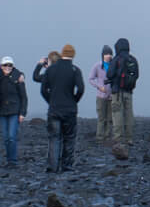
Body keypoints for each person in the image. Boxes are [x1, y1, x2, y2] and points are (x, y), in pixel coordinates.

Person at [38, 45, 84, 174]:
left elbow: (43, 90)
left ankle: (52, 167)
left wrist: (50, 101)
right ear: (73, 55)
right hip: (69, 110)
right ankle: (67, 166)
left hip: (54, 110)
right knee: (69, 138)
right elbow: (81, 89)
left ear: (62, 53)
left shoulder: (51, 69)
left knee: (54, 138)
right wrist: (74, 101)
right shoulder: (75, 70)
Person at [107, 37, 139, 149]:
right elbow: (136, 75)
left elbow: (109, 75)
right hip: (129, 92)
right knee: (129, 115)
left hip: (117, 92)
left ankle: (118, 139)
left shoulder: (116, 59)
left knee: (117, 115)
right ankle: (129, 138)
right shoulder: (133, 59)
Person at [0, 56, 26, 169]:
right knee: (6, 137)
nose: (7, 67)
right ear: (1, 66)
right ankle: (9, 160)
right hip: (2, 112)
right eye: (5, 65)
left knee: (11, 136)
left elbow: (24, 97)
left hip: (15, 111)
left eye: (9, 65)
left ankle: (13, 161)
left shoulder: (18, 77)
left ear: (13, 66)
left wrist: (22, 113)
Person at [91, 45, 113, 143]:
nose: (108, 56)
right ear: (103, 55)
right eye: (106, 54)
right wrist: (99, 86)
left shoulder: (114, 65)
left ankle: (107, 136)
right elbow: (90, 79)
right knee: (101, 118)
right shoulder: (97, 66)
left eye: (110, 54)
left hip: (112, 96)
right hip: (101, 96)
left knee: (109, 118)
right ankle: (99, 137)